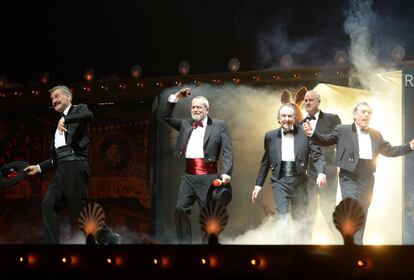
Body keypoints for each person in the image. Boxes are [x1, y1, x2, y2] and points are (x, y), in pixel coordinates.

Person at [303, 101, 414, 244]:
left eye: (369, 112)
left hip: (368, 179)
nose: (366, 115)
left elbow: (390, 151)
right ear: (354, 115)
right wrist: (312, 133)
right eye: (363, 112)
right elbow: (326, 140)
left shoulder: (376, 134)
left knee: (362, 213)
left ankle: (357, 245)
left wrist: (410, 146)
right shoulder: (343, 129)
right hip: (349, 177)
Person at [24, 85, 120, 244]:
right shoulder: (58, 127)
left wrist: (65, 118)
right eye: (52, 99)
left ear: (68, 97)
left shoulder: (78, 110)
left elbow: (88, 115)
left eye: (57, 96)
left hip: (75, 165)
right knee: (48, 203)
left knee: (79, 209)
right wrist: (39, 167)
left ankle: (109, 237)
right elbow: (57, 158)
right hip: (61, 170)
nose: (54, 101)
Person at [162, 87, 233, 244]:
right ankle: (185, 245)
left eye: (199, 107)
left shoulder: (219, 125)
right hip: (188, 176)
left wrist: (227, 172)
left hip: (208, 177)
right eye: (193, 107)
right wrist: (177, 96)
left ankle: (207, 248)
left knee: (207, 216)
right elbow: (165, 116)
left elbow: (227, 151)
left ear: (207, 110)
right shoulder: (186, 124)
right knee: (180, 209)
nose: (195, 109)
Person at [252, 103, 326, 243]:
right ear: (279, 118)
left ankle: (302, 249)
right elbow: (266, 161)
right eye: (283, 116)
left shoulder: (305, 133)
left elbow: (317, 156)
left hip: (300, 181)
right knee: (282, 218)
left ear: (295, 118)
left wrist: (321, 172)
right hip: (280, 181)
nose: (286, 119)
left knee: (301, 218)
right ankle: (283, 248)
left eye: (290, 116)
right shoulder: (270, 136)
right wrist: (258, 185)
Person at [300, 90, 342, 243]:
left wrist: (339, 164)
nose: (308, 102)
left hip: (329, 170)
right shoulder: (301, 124)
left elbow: (340, 142)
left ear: (318, 102)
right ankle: (305, 246)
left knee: (328, 209)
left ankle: (341, 244)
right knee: (307, 210)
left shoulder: (332, 119)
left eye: (311, 100)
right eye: (305, 100)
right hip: (309, 172)